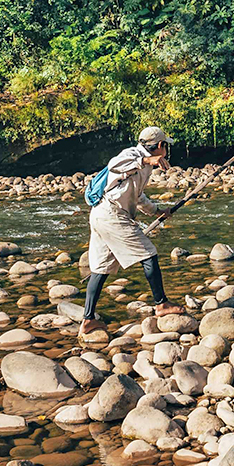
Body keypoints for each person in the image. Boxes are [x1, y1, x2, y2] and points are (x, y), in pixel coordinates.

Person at [80, 126, 185, 337]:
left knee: (101, 268)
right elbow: (114, 165)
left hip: (101, 215)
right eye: (166, 146)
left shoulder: (143, 165)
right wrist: (147, 161)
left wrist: (157, 212)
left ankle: (88, 320)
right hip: (111, 215)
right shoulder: (134, 154)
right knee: (149, 253)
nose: (166, 150)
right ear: (160, 146)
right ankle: (161, 304)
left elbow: (137, 197)